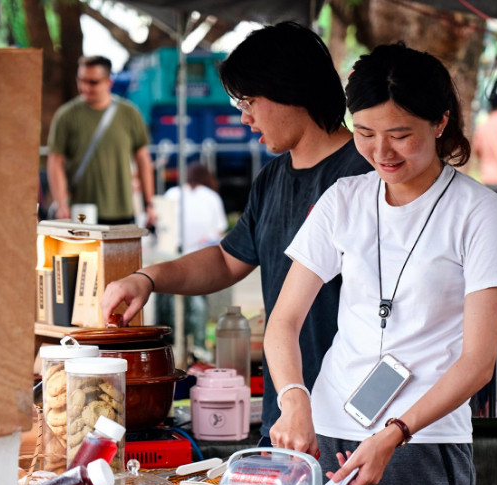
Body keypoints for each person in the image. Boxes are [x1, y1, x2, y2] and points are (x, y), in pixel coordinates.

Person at [263, 44, 497, 485]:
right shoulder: (344, 199)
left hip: (423, 440)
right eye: (365, 132)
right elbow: (282, 322)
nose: (381, 150)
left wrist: (396, 433)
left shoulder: (480, 213)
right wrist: (293, 398)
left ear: (441, 121)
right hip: (333, 435)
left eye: (401, 134)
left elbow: (477, 362)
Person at [99, 22, 372, 443]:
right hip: (288, 417)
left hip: (358, 419)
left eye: (250, 101)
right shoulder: (272, 178)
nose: (242, 117)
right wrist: (148, 278)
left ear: (289, 90)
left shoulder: (367, 174)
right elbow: (228, 259)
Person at [46, 55, 156, 227]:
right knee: (82, 255)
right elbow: (55, 161)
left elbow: (143, 158)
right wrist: (61, 203)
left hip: (122, 210)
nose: (85, 87)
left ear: (108, 83)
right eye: (81, 80)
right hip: (81, 212)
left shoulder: (129, 113)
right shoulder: (66, 115)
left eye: (93, 82)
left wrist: (149, 203)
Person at [156, 163, 228, 352]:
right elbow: (219, 232)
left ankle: (168, 344)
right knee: (197, 302)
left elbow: (161, 226)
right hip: (201, 260)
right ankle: (198, 344)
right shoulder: (212, 197)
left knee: (170, 302)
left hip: (173, 258)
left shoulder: (172, 193)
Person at [163, 162, 228, 254]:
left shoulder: (172, 193)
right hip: (203, 253)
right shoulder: (213, 196)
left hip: (174, 252)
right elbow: (219, 230)